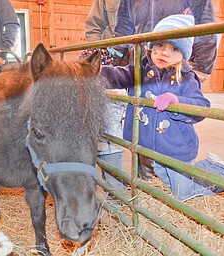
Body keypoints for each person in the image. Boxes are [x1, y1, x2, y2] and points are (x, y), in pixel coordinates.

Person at [101, 14, 224, 201]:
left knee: (182, 193)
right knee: (149, 186)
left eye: (174, 48)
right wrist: (90, 71)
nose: (164, 53)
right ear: (151, 46)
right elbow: (116, 75)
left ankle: (221, 173)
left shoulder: (186, 77)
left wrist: (176, 102)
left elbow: (201, 106)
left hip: (175, 149)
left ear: (183, 54)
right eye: (159, 45)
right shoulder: (139, 71)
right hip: (144, 144)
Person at [112, 0, 218, 83]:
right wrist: (112, 60)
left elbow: (205, 27)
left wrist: (201, 69)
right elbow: (123, 29)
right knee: (137, 107)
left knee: (173, 106)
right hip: (140, 66)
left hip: (176, 70)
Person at [85, 0, 127, 191]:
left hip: (147, 63)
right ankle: (111, 191)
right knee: (107, 127)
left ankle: (140, 184)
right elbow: (94, 26)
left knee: (143, 129)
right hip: (111, 64)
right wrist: (99, 55)